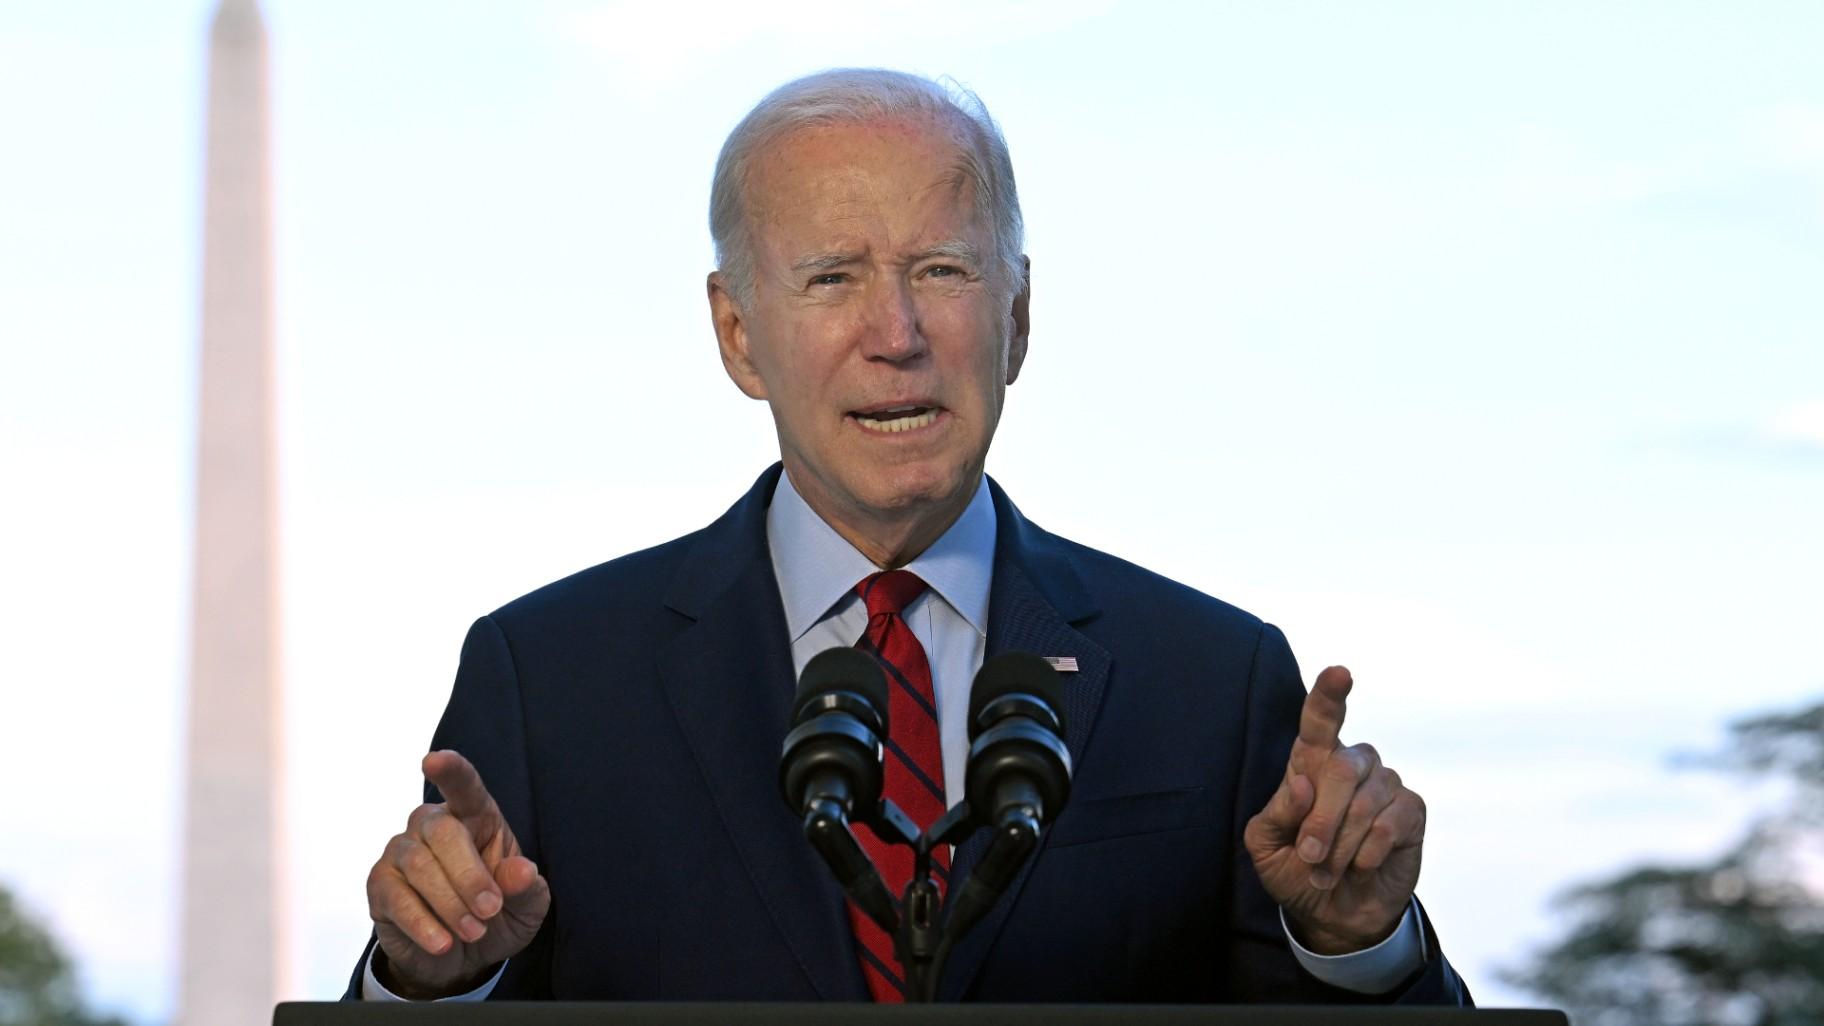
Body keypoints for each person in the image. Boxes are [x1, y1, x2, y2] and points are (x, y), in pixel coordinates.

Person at [348, 68, 1470, 1005]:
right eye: (833, 278)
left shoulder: (1214, 681)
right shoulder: (550, 684)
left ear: (1017, 318)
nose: (897, 334)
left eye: (942, 270)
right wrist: (432, 983)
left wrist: (1357, 947)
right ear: (739, 335)